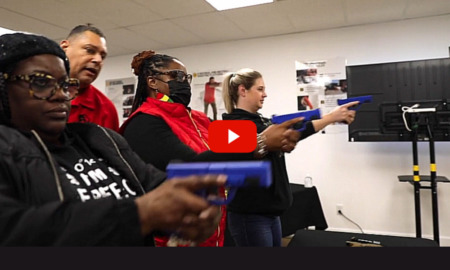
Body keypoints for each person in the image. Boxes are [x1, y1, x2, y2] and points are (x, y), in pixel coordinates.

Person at [0, 32, 224, 246]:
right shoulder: (7, 149)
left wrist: (191, 209)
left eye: (65, 84)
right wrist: (140, 215)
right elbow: (15, 230)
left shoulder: (100, 138)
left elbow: (155, 185)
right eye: (40, 82)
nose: (60, 95)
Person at [119, 51, 302, 246]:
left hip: (212, 231)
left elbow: (235, 143)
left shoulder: (198, 118)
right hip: (175, 238)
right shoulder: (144, 122)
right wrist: (261, 143)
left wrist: (274, 137)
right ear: (152, 82)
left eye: (186, 77)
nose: (184, 83)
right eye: (176, 76)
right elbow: (193, 167)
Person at [221, 68, 358, 247]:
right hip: (250, 215)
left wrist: (331, 117)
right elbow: (288, 133)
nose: (265, 94)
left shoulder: (262, 122)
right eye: (260, 89)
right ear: (242, 90)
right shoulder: (233, 126)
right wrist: (331, 117)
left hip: (270, 214)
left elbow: (295, 129)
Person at [60, 24, 120, 132]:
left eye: (102, 56)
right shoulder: (32, 92)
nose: (98, 60)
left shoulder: (106, 109)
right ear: (65, 48)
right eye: (90, 50)